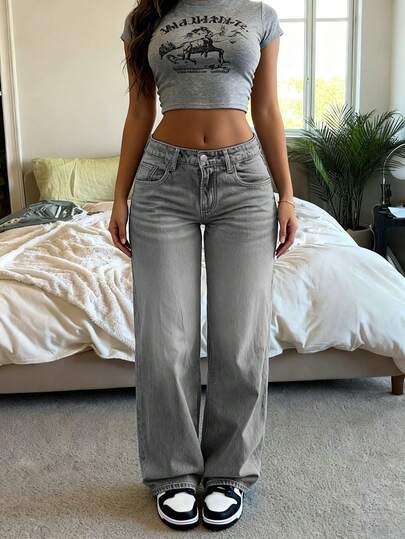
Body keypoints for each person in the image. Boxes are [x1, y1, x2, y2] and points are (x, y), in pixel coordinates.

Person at [109, 0, 297, 531]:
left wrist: (287, 194)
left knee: (241, 338)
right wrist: (119, 196)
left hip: (244, 183)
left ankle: (229, 472)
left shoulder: (259, 15)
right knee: (165, 339)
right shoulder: (146, 18)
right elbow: (140, 112)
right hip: (162, 182)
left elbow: (267, 108)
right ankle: (173, 473)